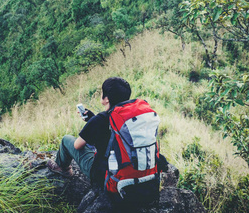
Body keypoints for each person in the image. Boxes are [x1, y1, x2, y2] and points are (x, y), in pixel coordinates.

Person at [47, 77, 165, 210]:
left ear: (106, 99)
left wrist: (93, 122)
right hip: (137, 174)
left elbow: (77, 145)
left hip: (106, 176)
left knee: (67, 140)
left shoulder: (100, 119)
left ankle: (63, 169)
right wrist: (92, 119)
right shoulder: (128, 119)